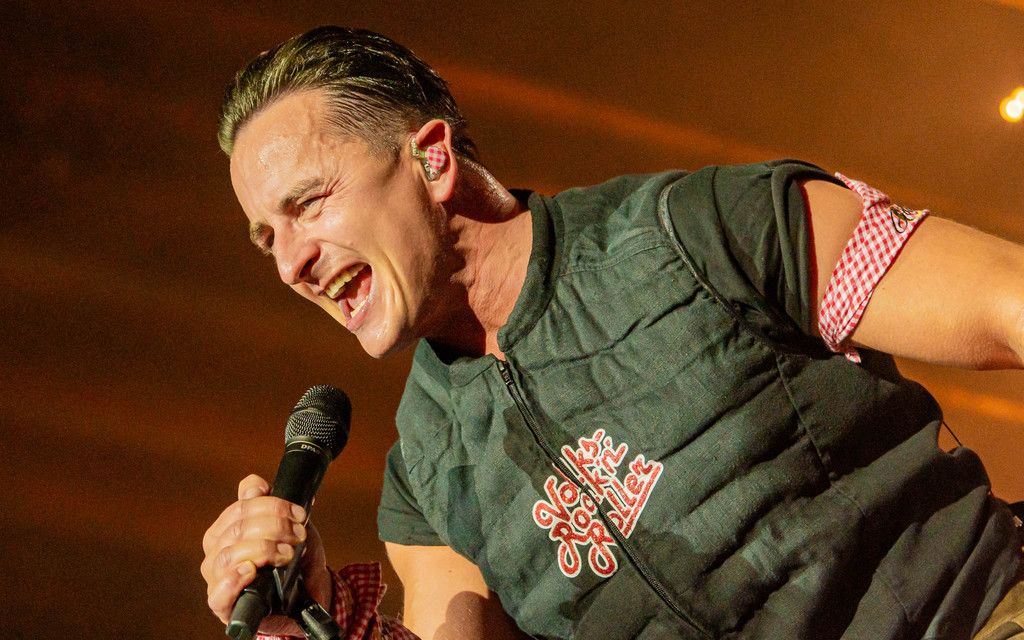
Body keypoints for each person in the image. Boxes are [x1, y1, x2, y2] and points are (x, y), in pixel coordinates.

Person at [200, 26, 1024, 640]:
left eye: (309, 204)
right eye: (268, 238)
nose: (291, 263)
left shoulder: (702, 230)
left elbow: (1005, 304)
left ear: (433, 161)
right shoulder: (425, 475)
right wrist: (311, 614)